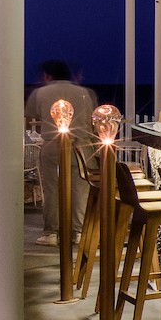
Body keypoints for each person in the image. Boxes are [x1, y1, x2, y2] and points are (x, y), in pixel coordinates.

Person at [26, 60, 98, 248]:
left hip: (52, 144)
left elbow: (31, 116)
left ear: (47, 75)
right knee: (80, 189)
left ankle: (51, 232)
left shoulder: (40, 93)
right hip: (81, 146)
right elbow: (92, 119)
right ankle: (79, 231)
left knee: (51, 190)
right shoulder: (85, 92)